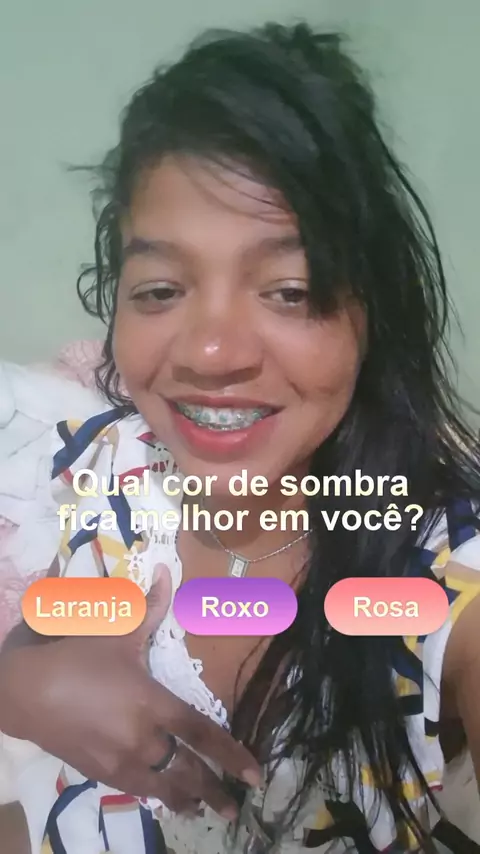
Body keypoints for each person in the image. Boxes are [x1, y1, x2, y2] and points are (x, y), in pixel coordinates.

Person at [1, 20, 480, 854]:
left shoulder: (440, 568)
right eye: (159, 290)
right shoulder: (98, 463)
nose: (210, 354)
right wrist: (17, 685)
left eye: (290, 290)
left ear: (372, 313)